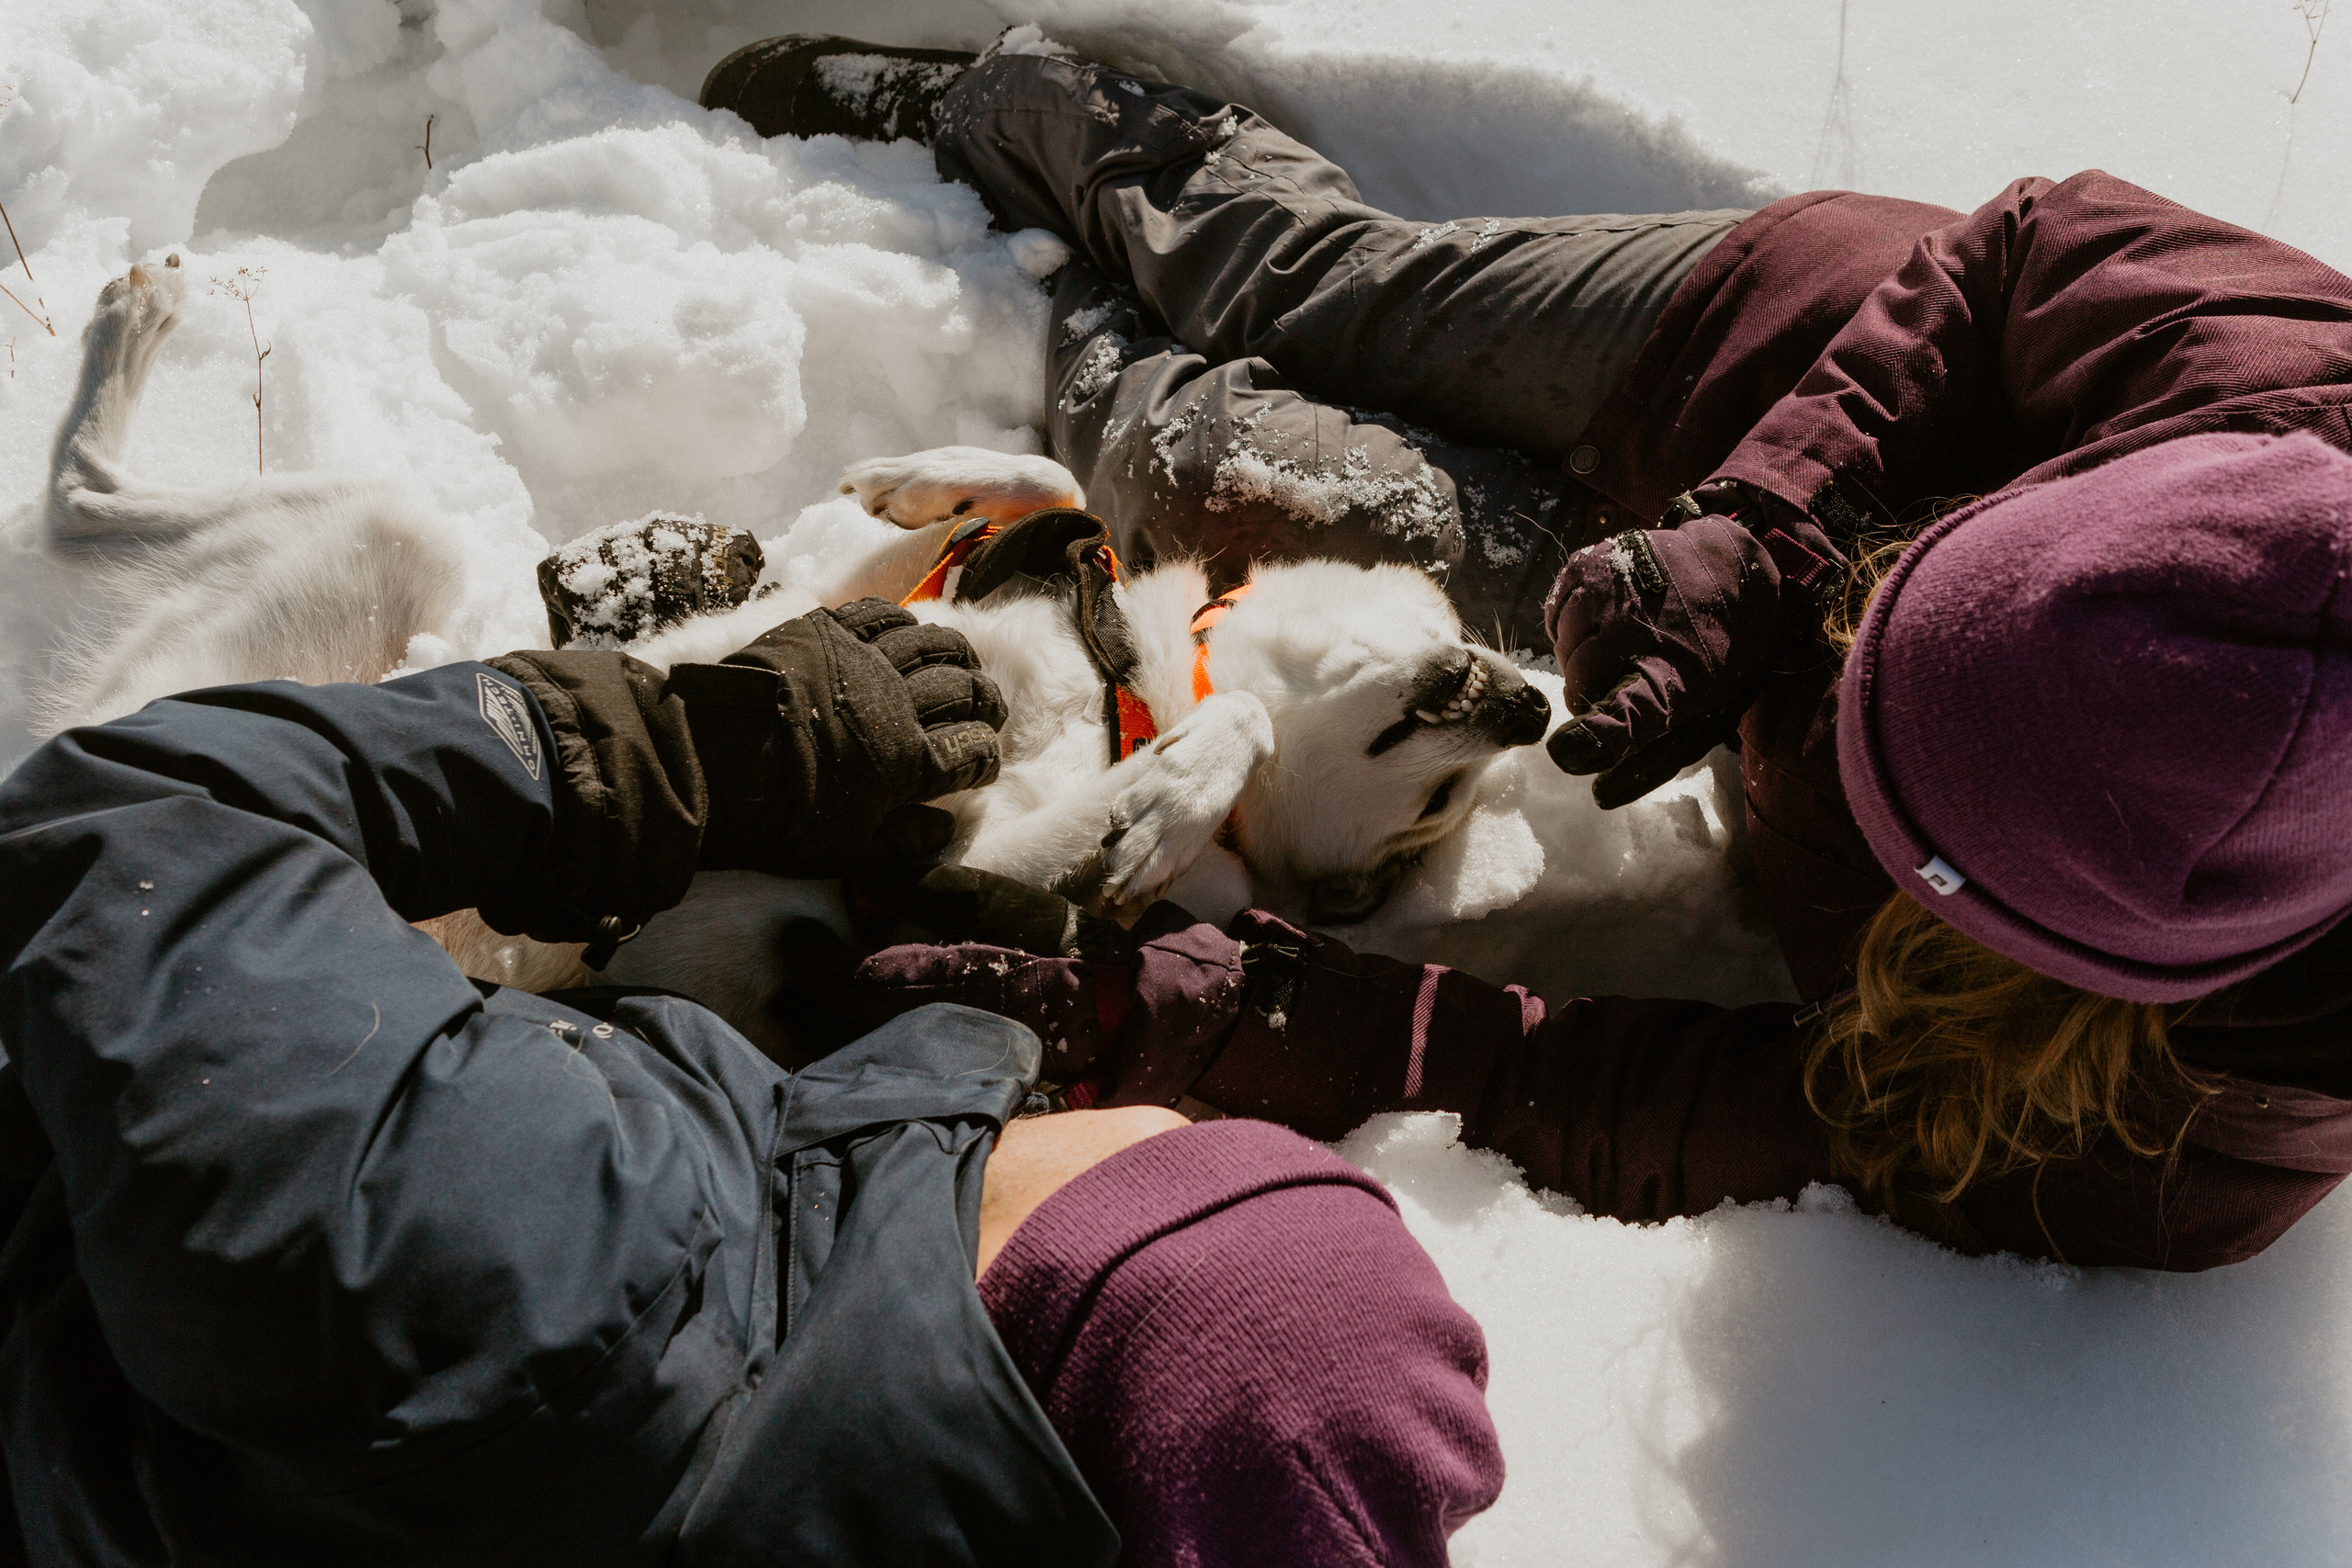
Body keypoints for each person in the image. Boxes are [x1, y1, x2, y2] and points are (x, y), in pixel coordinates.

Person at [699, 38, 2352, 1270]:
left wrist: (1221, 1015)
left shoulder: (2182, 1138)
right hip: (1779, 377)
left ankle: (1042, 315)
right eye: (1890, 640)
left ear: (2045, 949)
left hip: (1727, 640)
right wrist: (1762, 541)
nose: (1837, 695)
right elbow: (2022, 248)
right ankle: (1002, 106)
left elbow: (1633, 1095)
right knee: (1309, 281)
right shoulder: (2300, 394)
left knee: (1204, 471)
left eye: (1893, 771)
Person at [0, 604, 1503, 1563]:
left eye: (1194, 1161)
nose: (1156, 1121)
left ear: (1062, 1269)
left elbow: (129, 823)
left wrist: (671, 749)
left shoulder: (539, 1267)